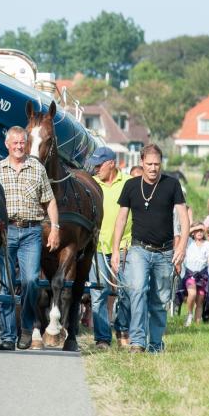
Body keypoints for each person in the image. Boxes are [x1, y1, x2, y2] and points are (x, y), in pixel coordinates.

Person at [111, 143, 189, 353]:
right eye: (149, 164)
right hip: (139, 250)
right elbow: (121, 219)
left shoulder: (172, 185)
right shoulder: (131, 186)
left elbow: (184, 217)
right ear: (141, 163)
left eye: (157, 164)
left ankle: (155, 343)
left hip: (165, 252)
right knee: (137, 290)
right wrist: (115, 249)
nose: (154, 168)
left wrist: (182, 247)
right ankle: (137, 341)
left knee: (159, 300)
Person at [0, 126, 59, 351]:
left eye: (22, 142)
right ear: (7, 145)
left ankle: (27, 327)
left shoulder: (37, 168)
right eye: (15, 143)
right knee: (6, 286)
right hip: (5, 232)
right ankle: (8, 336)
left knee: (30, 281)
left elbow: (49, 201)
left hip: (31, 231)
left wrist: (55, 228)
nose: (19, 146)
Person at [87, 146, 132, 350]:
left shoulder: (129, 183)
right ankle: (103, 339)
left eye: (99, 165)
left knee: (126, 292)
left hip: (124, 246)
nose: (96, 169)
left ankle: (122, 330)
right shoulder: (91, 184)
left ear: (111, 163)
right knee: (98, 293)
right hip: (97, 247)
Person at [181, 222, 209, 326]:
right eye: (197, 231)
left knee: (200, 300)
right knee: (192, 294)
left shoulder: (207, 244)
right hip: (190, 274)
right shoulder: (189, 242)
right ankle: (189, 314)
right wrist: (197, 227)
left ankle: (197, 323)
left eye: (201, 231)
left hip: (202, 275)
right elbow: (184, 234)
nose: (199, 232)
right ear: (193, 233)